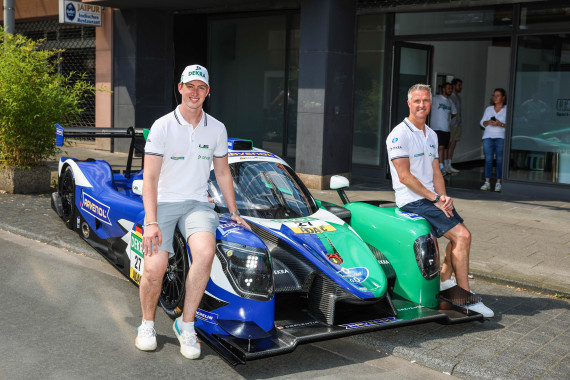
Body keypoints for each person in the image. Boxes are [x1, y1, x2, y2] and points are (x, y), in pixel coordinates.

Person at [136, 64, 250, 359]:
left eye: (201, 87)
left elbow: (223, 173)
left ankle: (186, 325)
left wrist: (234, 211)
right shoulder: (162, 126)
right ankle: (147, 324)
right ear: (180, 88)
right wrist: (150, 222)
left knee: (204, 253)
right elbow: (149, 178)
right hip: (163, 203)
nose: (195, 92)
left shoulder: (217, 128)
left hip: (198, 202)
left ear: (208, 92)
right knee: (154, 268)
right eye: (190, 86)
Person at [386, 83, 494, 318]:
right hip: (412, 200)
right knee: (462, 236)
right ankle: (465, 297)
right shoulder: (399, 134)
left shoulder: (432, 134)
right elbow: (405, 176)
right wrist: (434, 198)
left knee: (460, 235)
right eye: (417, 101)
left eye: (425, 100)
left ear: (430, 104)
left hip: (431, 198)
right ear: (409, 103)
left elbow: (436, 172)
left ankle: (445, 279)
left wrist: (443, 198)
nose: (421, 105)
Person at [479, 88, 507, 192]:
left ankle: (499, 182)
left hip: (501, 137)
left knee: (500, 160)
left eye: (498, 95)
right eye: (494, 95)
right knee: (488, 160)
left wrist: (499, 124)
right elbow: (482, 123)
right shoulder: (489, 109)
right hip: (488, 137)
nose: (495, 97)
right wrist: (488, 122)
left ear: (503, 98)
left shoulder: (507, 109)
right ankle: (487, 182)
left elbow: (510, 125)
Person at [430, 82, 457, 176]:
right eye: (448, 88)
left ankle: (441, 166)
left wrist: (447, 119)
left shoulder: (450, 102)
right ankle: (441, 167)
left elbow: (454, 113)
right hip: (436, 128)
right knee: (440, 147)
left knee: (443, 148)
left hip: (446, 129)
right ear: (443, 89)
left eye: (451, 88)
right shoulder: (435, 99)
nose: (450, 90)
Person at [447, 78, 463, 173]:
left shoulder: (458, 97)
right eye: (459, 85)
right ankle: (445, 165)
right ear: (453, 86)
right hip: (451, 125)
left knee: (453, 144)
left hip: (458, 124)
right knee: (448, 145)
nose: (460, 87)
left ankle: (449, 164)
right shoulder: (450, 98)